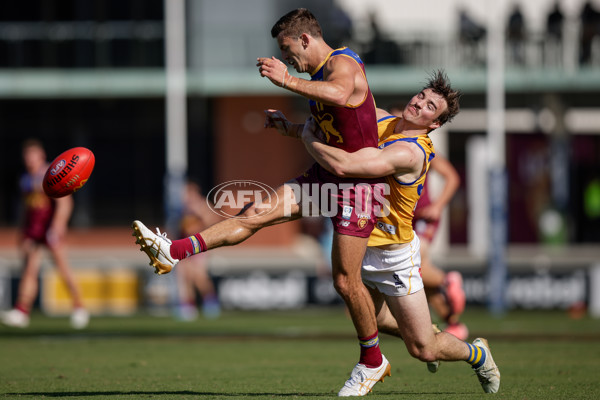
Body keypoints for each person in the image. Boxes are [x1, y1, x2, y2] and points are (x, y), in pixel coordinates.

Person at [132, 8, 390, 396]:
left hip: (361, 188)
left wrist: (286, 80)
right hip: (327, 178)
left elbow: (339, 94)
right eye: (285, 59)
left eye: (289, 52)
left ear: (306, 39)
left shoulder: (344, 63)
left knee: (346, 282)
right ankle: (173, 252)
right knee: (253, 213)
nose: (289, 62)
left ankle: (377, 360)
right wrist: (288, 127)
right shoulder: (316, 75)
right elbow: (330, 127)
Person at [300, 70, 500, 394]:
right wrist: (293, 126)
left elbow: (344, 166)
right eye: (421, 97)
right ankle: (398, 345)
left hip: (392, 255)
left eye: (430, 107)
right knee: (372, 317)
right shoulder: (383, 120)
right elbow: (338, 131)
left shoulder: (411, 151)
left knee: (423, 349)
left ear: (434, 124)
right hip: (361, 242)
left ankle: (475, 352)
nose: (419, 104)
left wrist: (306, 138)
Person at [390, 104, 468, 340]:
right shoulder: (388, 148)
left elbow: (452, 177)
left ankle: (448, 280)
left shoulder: (420, 148)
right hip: (404, 217)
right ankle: (453, 324)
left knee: (416, 267)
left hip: (423, 216)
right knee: (421, 277)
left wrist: (437, 206)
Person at [1, 139, 89, 329]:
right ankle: (22, 310)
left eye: (33, 155)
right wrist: (23, 230)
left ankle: (79, 306)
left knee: (63, 269)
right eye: (27, 156)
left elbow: (65, 203)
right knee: (30, 269)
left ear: (41, 156)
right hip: (33, 229)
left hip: (49, 228)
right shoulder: (25, 178)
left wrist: (57, 226)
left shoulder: (52, 174)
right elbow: (27, 207)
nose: (29, 160)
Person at [174, 181, 221, 321]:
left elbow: (215, 223)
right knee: (184, 275)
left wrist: (200, 217)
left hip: (200, 246)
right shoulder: (183, 209)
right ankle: (187, 306)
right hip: (186, 246)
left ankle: (211, 303)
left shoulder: (203, 206)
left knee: (200, 277)